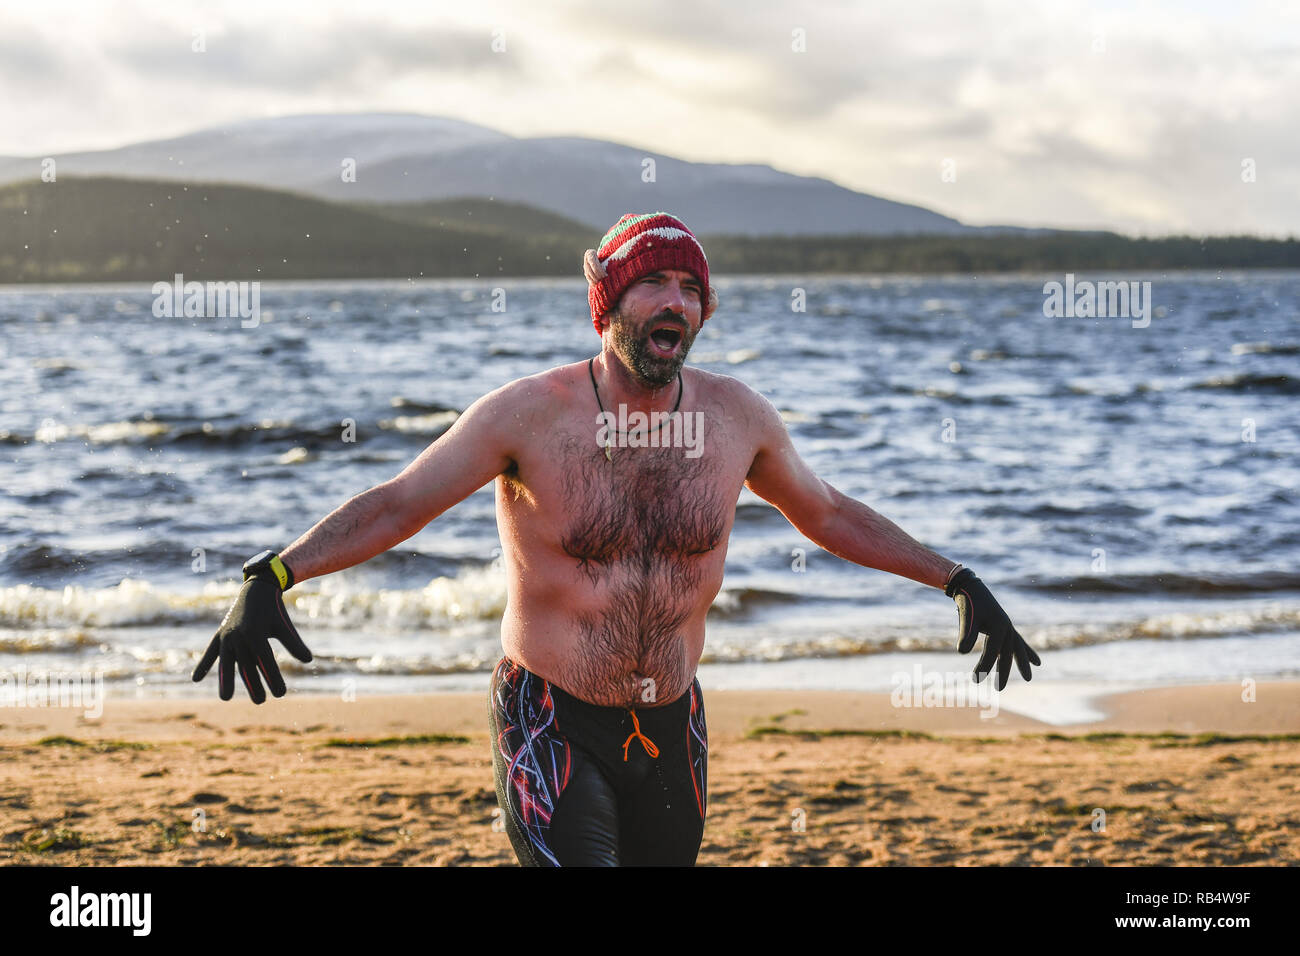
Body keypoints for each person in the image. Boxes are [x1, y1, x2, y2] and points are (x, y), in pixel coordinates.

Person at [193, 211, 1041, 866]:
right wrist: (274, 572)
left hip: (672, 721)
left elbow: (828, 514)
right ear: (608, 302)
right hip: (551, 720)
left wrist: (956, 578)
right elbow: (400, 503)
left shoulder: (735, 418)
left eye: (689, 288)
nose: (675, 301)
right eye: (653, 284)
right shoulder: (529, 415)